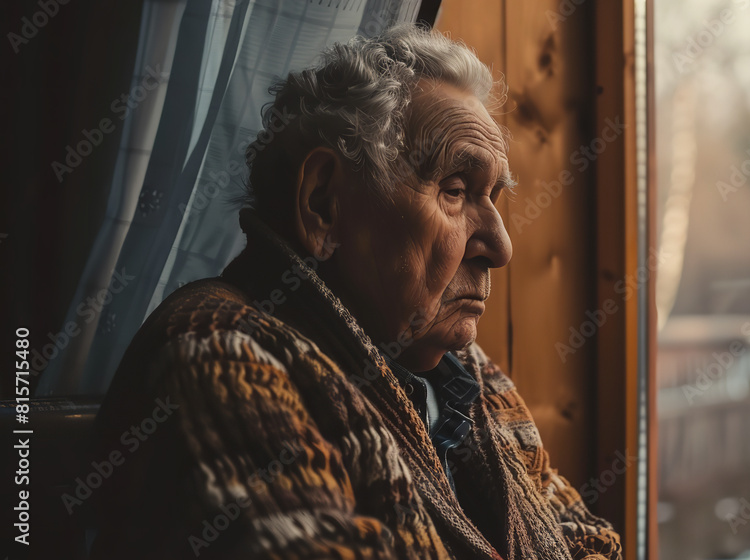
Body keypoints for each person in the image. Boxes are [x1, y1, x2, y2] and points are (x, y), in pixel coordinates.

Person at [90, 24, 621, 560]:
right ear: (323, 204)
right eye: (456, 191)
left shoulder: (472, 373)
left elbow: (588, 540)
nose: (500, 246)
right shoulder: (222, 351)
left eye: (494, 199)